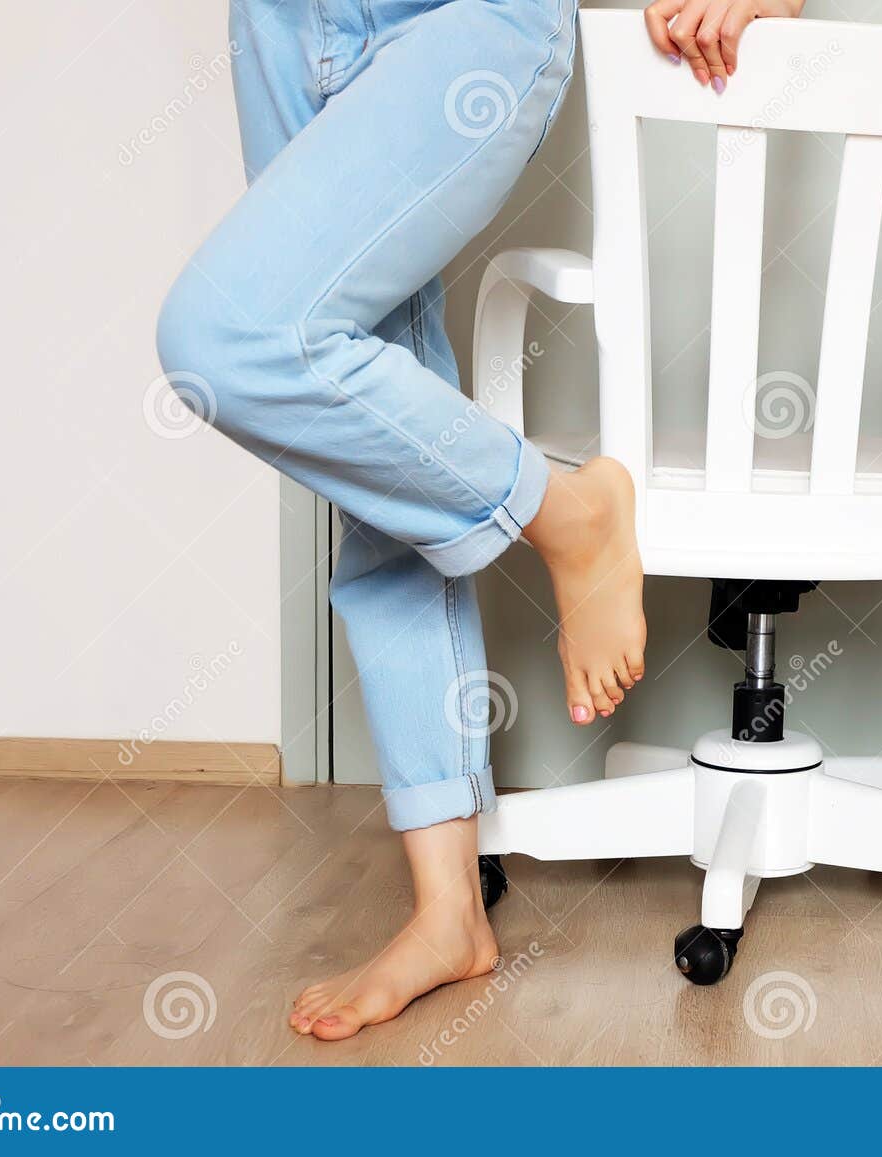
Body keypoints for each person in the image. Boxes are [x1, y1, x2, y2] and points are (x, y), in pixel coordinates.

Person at [155, 0, 802, 1042]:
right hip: (280, 28)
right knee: (373, 444)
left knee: (226, 337)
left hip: (460, 15)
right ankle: (448, 910)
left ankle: (571, 513)